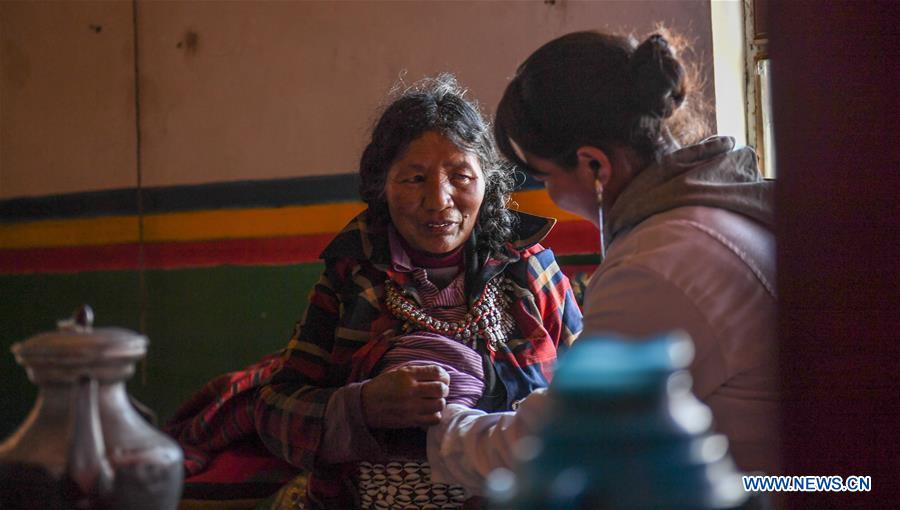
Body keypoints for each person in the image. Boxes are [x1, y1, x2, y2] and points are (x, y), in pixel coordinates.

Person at [166, 74, 582, 510]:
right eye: (413, 179)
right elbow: (272, 409)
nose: (439, 201)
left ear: (488, 181)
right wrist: (360, 407)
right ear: (381, 186)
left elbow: (594, 399)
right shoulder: (351, 278)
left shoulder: (530, 270)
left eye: (460, 175)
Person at [427, 30, 779, 493]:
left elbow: (563, 443)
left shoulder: (657, 268)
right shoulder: (723, 210)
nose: (437, 200)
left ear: (594, 165)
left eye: (545, 176)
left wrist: (441, 432)